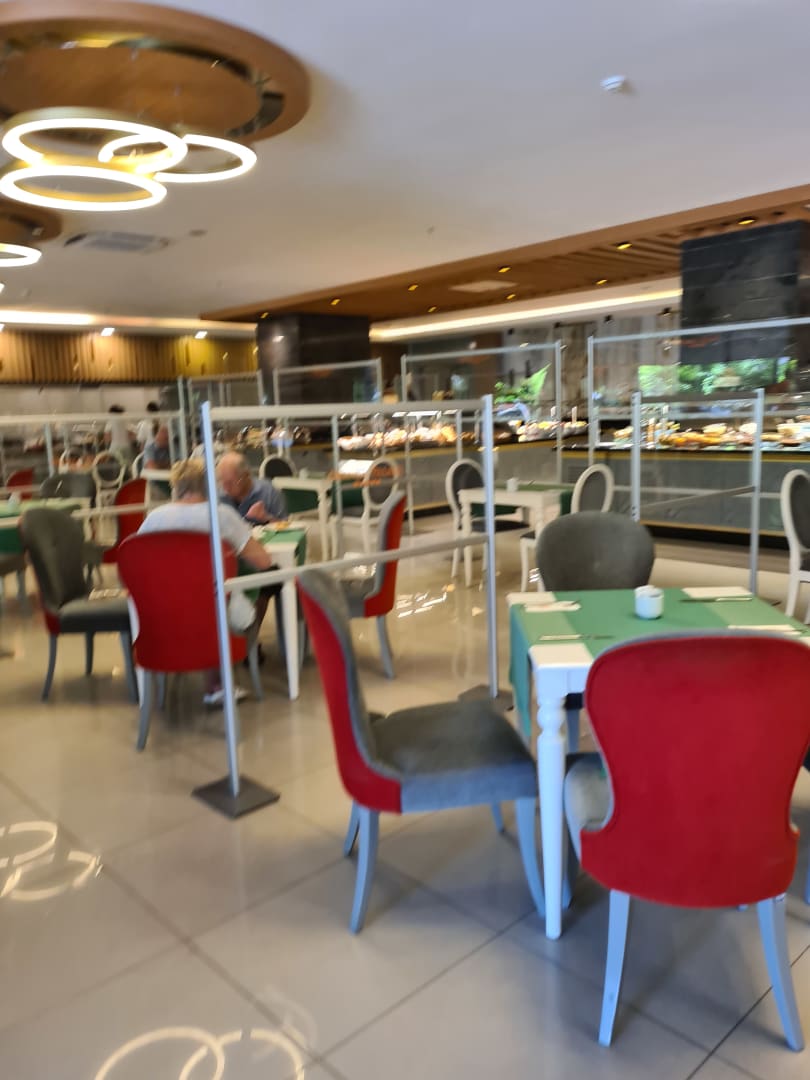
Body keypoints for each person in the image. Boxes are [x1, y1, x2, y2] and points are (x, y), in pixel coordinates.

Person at [138, 459, 275, 706]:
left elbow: (135, 567)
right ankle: (224, 675)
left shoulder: (153, 519)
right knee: (230, 599)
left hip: (163, 614)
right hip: (212, 612)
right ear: (208, 485)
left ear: (175, 486)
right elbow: (264, 561)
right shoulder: (221, 516)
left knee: (202, 601)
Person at [216, 451, 288, 523]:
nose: (226, 488)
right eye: (222, 481)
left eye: (230, 483)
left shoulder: (269, 492)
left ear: (246, 475)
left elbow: (285, 525)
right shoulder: (219, 496)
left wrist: (265, 517)